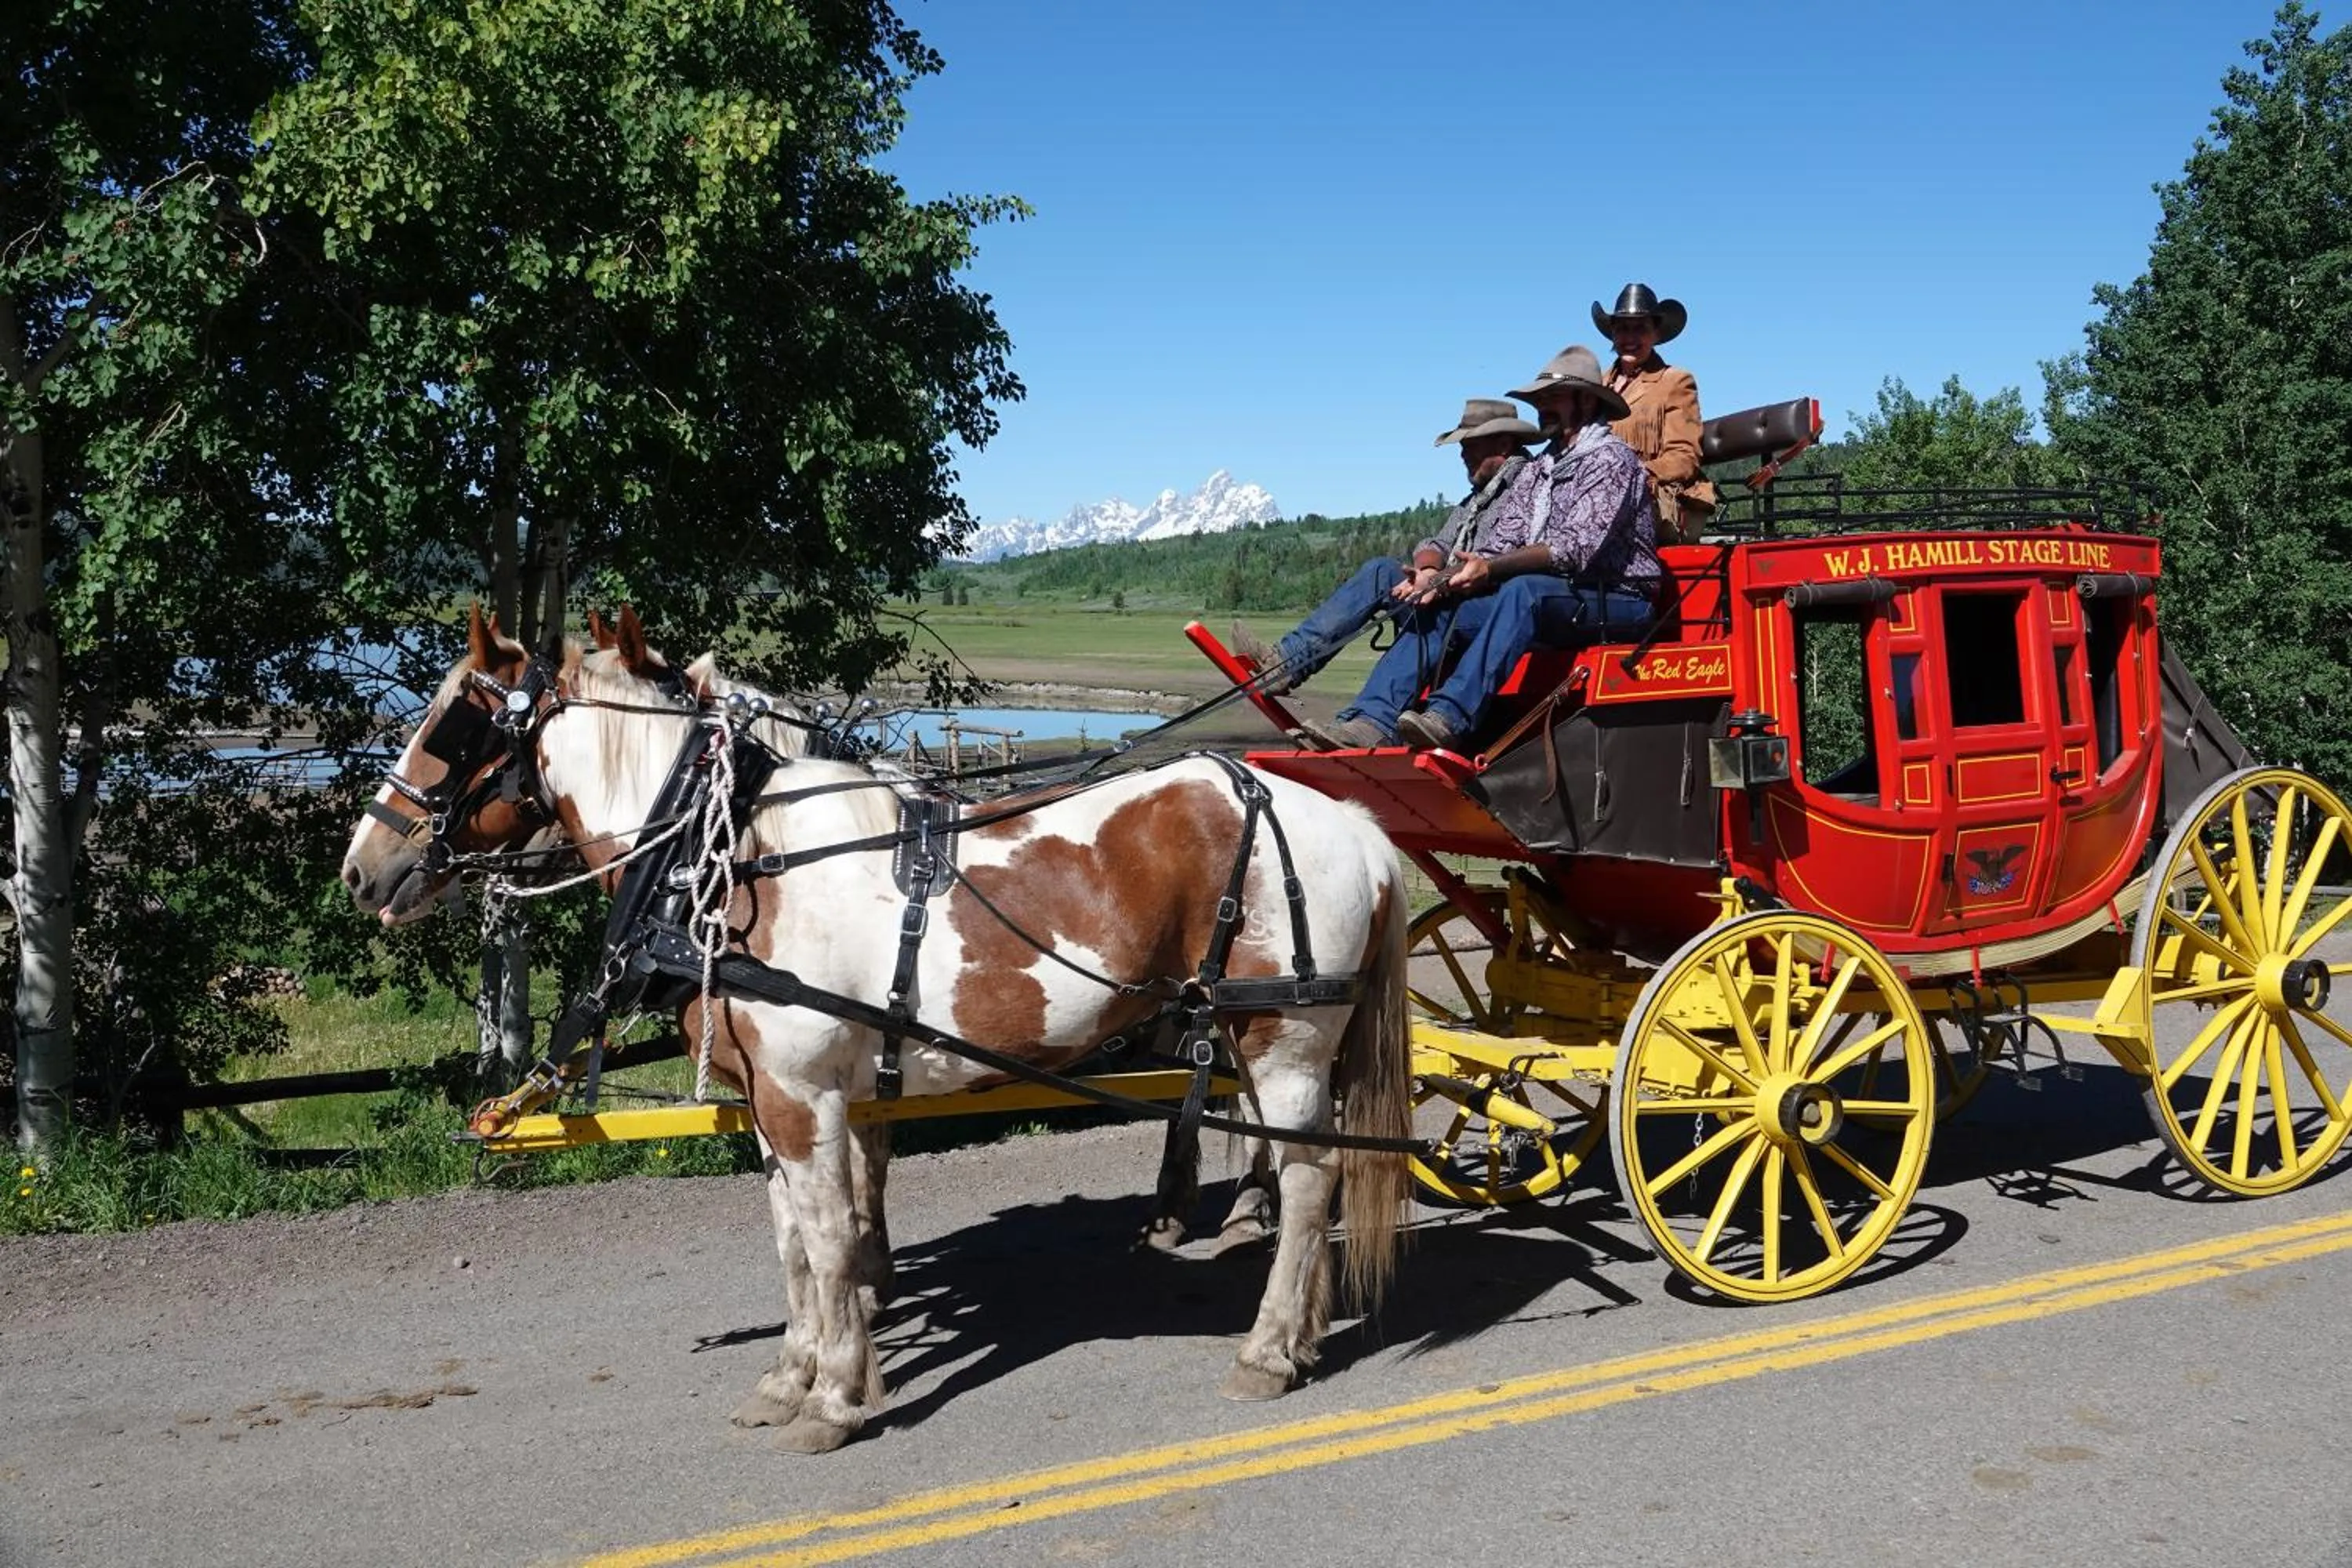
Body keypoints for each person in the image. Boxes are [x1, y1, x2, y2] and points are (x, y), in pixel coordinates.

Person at [1305, 346, 1659, 752]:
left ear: (1587, 401)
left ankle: (1449, 716)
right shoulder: (1542, 469)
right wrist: (1439, 581)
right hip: (1558, 597)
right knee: (1439, 607)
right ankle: (1370, 721)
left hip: (1620, 598)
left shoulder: (1611, 460)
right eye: (1539, 401)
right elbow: (1502, 541)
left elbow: (1573, 549)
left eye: (1552, 399)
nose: (1543, 407)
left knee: (1524, 591)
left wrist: (1488, 570)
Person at [1230, 397, 1542, 697]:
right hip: (1447, 591)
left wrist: (1436, 582)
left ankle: (1365, 714)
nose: (1462, 455)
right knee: (1380, 571)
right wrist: (1429, 570)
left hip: (1487, 608)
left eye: (1470, 445)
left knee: (1424, 595)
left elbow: (1496, 560)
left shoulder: (1528, 486)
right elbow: (1437, 543)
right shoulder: (1478, 498)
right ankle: (1284, 663)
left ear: (1502, 445)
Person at [1595, 282, 1715, 543]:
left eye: (1640, 328)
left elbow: (1684, 457)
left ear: (1656, 334)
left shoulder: (1676, 382)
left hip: (1661, 499)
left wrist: (1633, 473)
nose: (1630, 338)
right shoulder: (1596, 386)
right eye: (1622, 328)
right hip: (1600, 494)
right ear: (1612, 334)